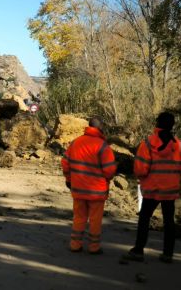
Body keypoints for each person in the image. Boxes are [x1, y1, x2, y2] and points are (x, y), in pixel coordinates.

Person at [123, 112, 181, 263]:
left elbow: (141, 169)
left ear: (157, 124)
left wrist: (142, 178)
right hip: (170, 190)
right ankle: (168, 254)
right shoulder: (178, 145)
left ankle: (138, 250)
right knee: (169, 222)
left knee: (144, 218)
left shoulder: (148, 144)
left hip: (152, 189)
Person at [62, 118, 117, 254]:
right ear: (101, 128)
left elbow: (65, 163)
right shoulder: (103, 146)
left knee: (79, 217)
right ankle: (94, 247)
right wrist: (107, 179)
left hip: (78, 189)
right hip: (97, 191)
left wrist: (69, 179)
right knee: (95, 219)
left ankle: (75, 245)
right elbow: (109, 170)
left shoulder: (76, 142)